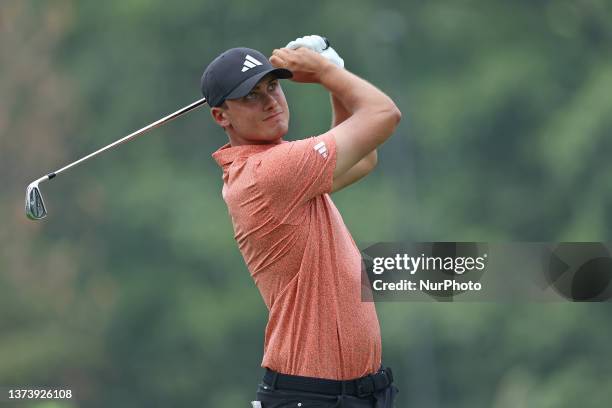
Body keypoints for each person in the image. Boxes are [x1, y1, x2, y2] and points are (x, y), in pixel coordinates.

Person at [201, 36, 401, 408]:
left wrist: (334, 75)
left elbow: (363, 159)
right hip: (311, 396)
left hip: (354, 394)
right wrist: (326, 73)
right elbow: (384, 115)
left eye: (273, 86)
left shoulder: (280, 166)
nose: (270, 101)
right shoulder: (268, 173)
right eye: (250, 96)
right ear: (220, 115)